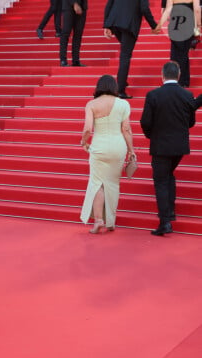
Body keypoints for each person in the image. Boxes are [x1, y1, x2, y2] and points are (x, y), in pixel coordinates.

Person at [140, 61, 196, 235]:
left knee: (161, 181)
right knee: (169, 176)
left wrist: (152, 135)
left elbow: (145, 122)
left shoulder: (153, 95)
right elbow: (191, 122)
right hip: (179, 146)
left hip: (160, 146)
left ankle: (165, 222)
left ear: (162, 75)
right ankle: (170, 213)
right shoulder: (187, 95)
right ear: (178, 75)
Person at [80, 75, 135, 233]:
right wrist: (131, 150)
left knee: (97, 183)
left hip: (99, 147)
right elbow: (126, 129)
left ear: (99, 87)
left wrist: (84, 142)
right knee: (113, 183)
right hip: (118, 147)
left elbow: (88, 129)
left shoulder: (92, 104)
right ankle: (111, 222)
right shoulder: (124, 104)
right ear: (114, 87)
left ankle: (98, 221)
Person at [104, 0, 158, 99]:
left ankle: (122, 80)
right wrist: (154, 25)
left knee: (125, 52)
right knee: (125, 55)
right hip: (129, 24)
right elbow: (144, 8)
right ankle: (120, 90)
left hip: (115, 22)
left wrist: (107, 24)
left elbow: (109, 4)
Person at [155, 0, 201, 87]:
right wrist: (198, 25)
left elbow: (168, 10)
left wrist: (159, 25)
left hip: (175, 24)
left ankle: (177, 80)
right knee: (184, 53)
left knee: (176, 52)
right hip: (188, 23)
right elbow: (197, 9)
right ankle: (184, 81)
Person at [60, 0, 87, 67]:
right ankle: (63, 60)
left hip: (82, 6)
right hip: (68, 6)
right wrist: (74, 3)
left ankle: (76, 60)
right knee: (66, 33)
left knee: (78, 34)